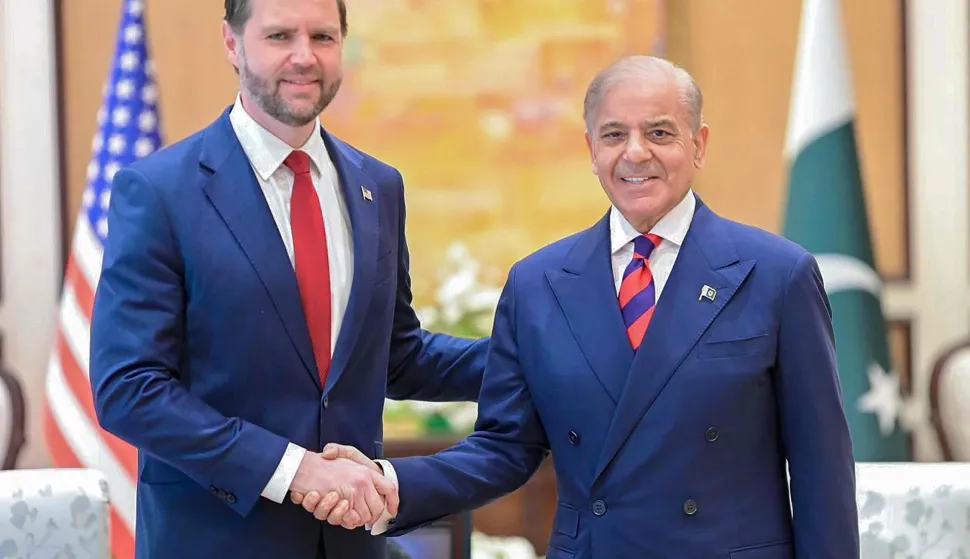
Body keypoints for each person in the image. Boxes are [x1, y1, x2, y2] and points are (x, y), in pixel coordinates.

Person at [295, 55, 860, 558]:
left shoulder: (776, 275)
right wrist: (391, 483)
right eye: (615, 135)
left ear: (699, 145)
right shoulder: (539, 283)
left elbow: (821, 471)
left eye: (660, 132)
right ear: (591, 150)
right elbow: (505, 447)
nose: (636, 152)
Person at [88, 0, 488, 557]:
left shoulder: (379, 187)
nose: (305, 57)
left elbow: (395, 356)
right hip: (215, 541)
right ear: (231, 42)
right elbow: (128, 389)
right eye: (280, 36)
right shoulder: (159, 192)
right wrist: (295, 470)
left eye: (322, 37)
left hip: (351, 543)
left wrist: (535, 356)